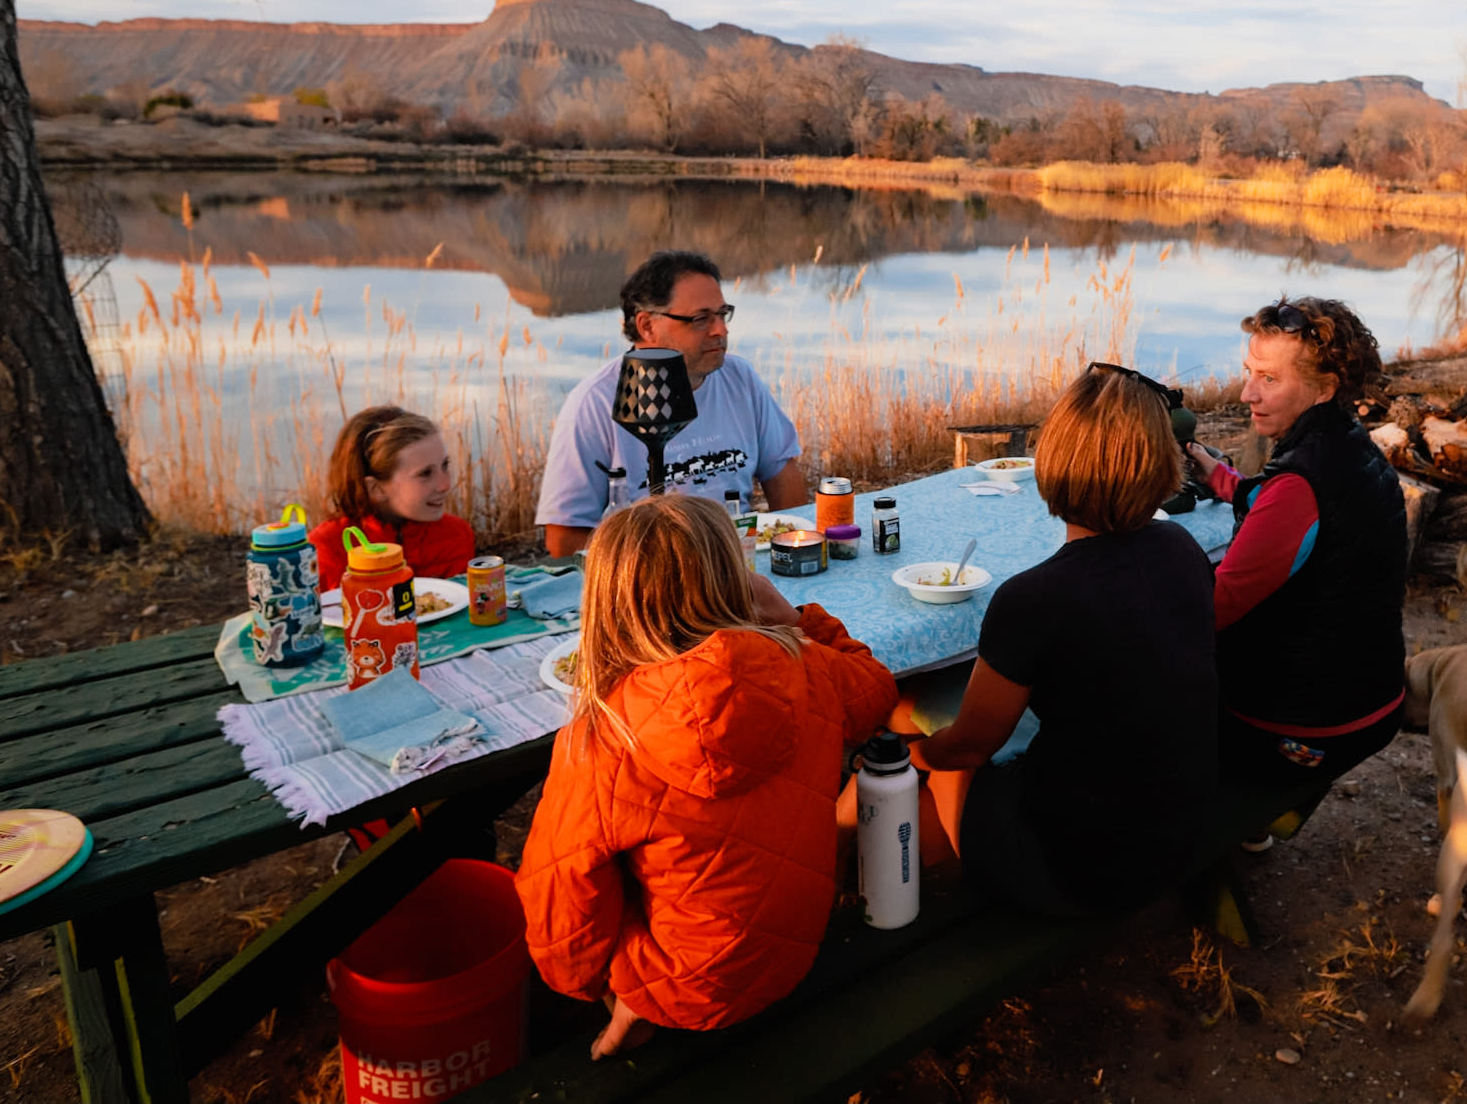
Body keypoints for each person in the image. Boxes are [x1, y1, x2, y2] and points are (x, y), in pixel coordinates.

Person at [515, 495, 898, 1056]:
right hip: (792, 951)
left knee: (593, 858)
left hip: (676, 984)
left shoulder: (602, 736)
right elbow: (877, 689)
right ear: (735, 583)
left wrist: (594, 984)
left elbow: (560, 901)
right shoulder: (806, 666)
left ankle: (636, 1008)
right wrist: (793, 619)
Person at [910, 364, 1218, 916]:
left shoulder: (1034, 597)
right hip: (1181, 835)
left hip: (1080, 872)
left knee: (916, 747)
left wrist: (908, 756)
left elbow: (970, 746)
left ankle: (896, 915)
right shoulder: (1183, 550)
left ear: (1053, 460)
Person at [1186, 297, 1405, 796]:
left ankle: (1214, 827)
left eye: (1269, 379)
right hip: (1371, 696)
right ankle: (1260, 805)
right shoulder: (1349, 445)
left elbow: (1212, 609)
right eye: (1249, 372)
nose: (1247, 393)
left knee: (1164, 682)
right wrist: (1219, 475)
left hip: (1310, 726)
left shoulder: (1300, 485)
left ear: (1324, 387)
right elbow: (1282, 502)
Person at [535, 250, 810, 557]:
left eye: (722, 314)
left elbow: (782, 472)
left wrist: (790, 552)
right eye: (700, 319)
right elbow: (563, 540)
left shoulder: (739, 379)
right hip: (645, 580)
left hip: (739, 566)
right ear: (647, 326)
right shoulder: (595, 404)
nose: (721, 330)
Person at [308, 405, 475, 591]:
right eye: (425, 473)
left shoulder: (455, 536)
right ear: (376, 489)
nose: (445, 485)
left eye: (445, 465)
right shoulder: (326, 550)